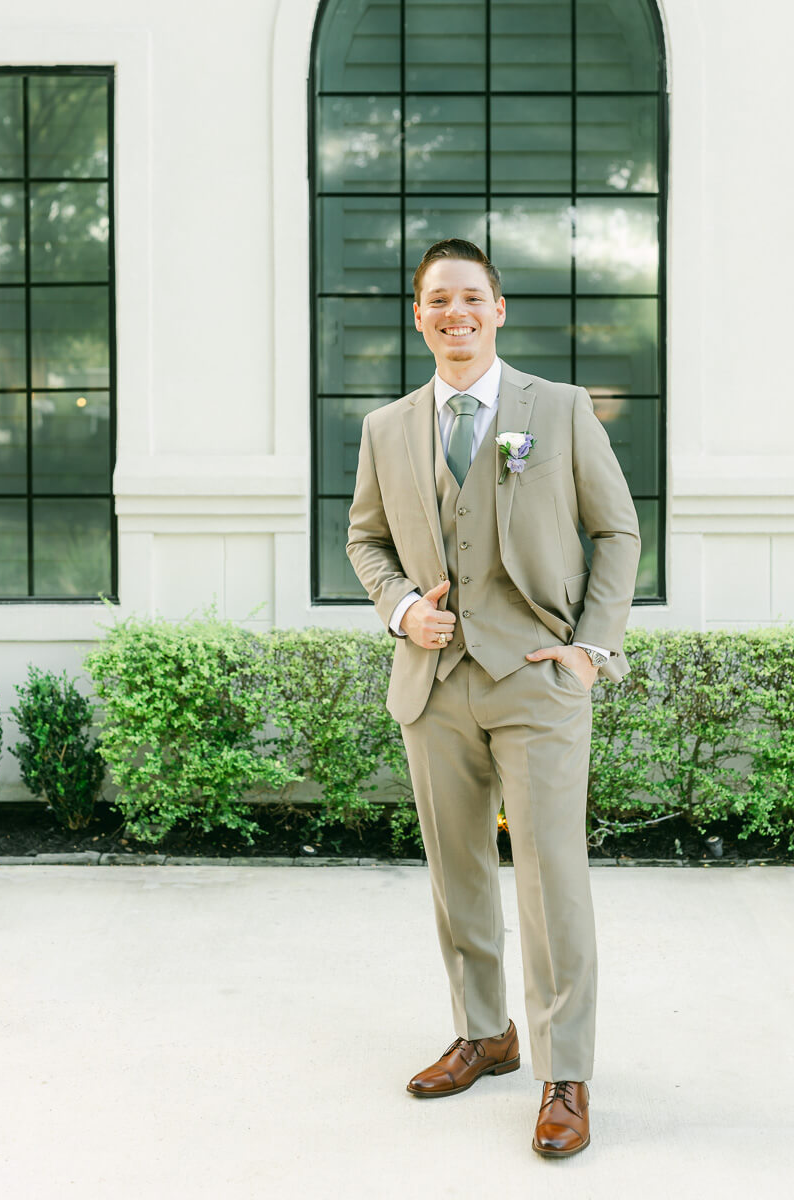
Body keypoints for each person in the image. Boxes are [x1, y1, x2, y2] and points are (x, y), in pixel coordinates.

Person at [345, 238, 641, 1157]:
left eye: (471, 298)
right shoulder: (387, 428)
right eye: (438, 300)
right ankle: (486, 1034)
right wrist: (401, 613)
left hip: (538, 680)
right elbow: (366, 540)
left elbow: (617, 529)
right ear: (420, 314)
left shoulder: (555, 409)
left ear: (498, 309)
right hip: (434, 688)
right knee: (458, 873)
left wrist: (591, 649)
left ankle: (566, 1070)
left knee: (554, 882)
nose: (455, 314)